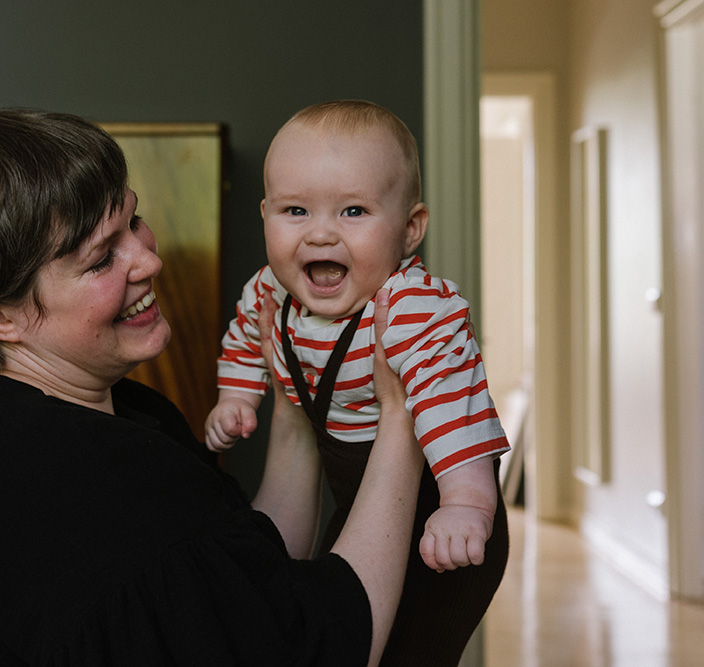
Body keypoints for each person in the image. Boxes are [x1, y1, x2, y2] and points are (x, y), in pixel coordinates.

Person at [0, 108, 427, 666]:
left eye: (133, 221)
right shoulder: (75, 485)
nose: (149, 261)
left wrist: (292, 388)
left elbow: (246, 596)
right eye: (100, 259)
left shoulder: (80, 415)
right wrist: (403, 405)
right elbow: (322, 651)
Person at [206, 100, 510, 665]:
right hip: (360, 500)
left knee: (411, 651)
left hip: (443, 509)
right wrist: (237, 397)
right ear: (265, 214)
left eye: (353, 211)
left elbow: (457, 404)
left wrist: (467, 504)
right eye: (295, 210)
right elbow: (247, 338)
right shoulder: (272, 292)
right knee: (332, 623)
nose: (320, 234)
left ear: (410, 229)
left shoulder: (412, 309)